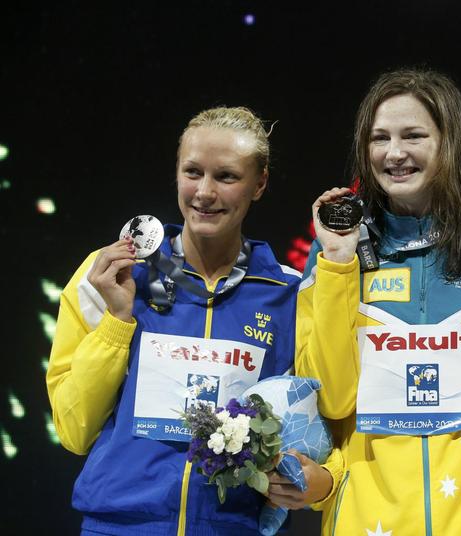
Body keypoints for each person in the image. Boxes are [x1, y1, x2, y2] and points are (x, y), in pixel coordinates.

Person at [46, 106, 339, 535]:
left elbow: (319, 425)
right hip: (120, 526)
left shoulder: (289, 295)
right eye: (193, 172)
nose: (204, 192)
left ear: (259, 184)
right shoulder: (111, 276)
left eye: (226, 176)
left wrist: (322, 481)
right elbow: (74, 430)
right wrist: (118, 320)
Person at [296, 68, 461, 535]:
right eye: (379, 138)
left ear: (450, 142)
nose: (394, 153)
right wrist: (339, 263)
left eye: (413, 136)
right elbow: (332, 401)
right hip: (366, 523)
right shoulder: (333, 253)